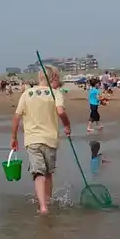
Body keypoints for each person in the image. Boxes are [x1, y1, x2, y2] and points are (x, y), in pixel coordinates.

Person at [10, 66, 71, 215]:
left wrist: (13, 137)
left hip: (32, 140)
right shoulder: (55, 93)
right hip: (50, 139)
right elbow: (60, 111)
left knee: (38, 173)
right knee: (48, 173)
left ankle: (43, 207)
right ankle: (48, 200)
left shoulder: (27, 93)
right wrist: (67, 125)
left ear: (39, 78)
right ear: (54, 78)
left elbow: (17, 117)